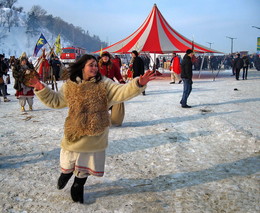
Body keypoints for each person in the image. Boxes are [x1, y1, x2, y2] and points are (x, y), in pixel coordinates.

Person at [28, 54, 155, 203]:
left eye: (96, 65)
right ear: (82, 67)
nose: (95, 68)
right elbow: (56, 101)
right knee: (68, 159)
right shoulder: (70, 85)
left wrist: (138, 83)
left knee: (86, 164)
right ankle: (66, 174)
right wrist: (41, 87)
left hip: (95, 132)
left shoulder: (104, 84)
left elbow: (121, 92)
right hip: (74, 130)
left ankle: (78, 184)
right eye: (91, 65)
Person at [98, 51, 126, 126]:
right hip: (100, 85)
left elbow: (118, 74)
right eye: (104, 56)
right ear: (101, 57)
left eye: (106, 56)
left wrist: (121, 81)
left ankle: (116, 119)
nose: (105, 58)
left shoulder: (113, 65)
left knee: (116, 98)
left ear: (109, 57)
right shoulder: (97, 65)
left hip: (111, 84)